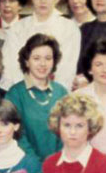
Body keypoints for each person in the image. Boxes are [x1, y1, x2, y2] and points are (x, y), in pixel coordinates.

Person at [1, 0, 80, 90]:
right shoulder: (18, 28)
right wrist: (25, 93)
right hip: (22, 95)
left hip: (56, 96)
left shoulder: (69, 28)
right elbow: (10, 66)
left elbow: (66, 70)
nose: (42, 1)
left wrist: (53, 95)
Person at [6, 33, 68, 161]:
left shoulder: (61, 92)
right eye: (36, 58)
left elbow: (68, 132)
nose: (43, 64)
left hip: (60, 165)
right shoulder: (15, 94)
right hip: (25, 166)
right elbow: (16, 136)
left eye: (48, 58)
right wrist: (37, 165)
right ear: (26, 61)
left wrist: (57, 162)